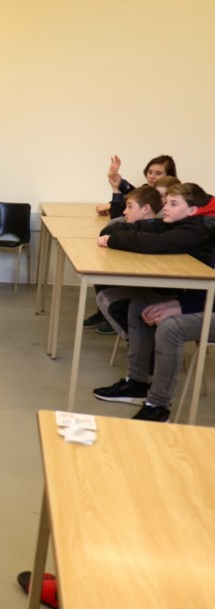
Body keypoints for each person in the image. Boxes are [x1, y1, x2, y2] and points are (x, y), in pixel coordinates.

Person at [93, 183, 215, 417]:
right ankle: (137, 382)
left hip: (206, 305)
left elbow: (153, 244)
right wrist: (113, 235)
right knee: (141, 305)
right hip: (201, 298)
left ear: (192, 211)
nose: (164, 208)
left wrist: (180, 307)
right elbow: (138, 229)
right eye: (166, 202)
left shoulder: (200, 230)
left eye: (172, 204)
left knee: (171, 327)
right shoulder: (181, 223)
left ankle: (158, 405)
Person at [92, 185, 165, 336]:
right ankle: (135, 338)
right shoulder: (123, 225)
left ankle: (138, 339)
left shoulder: (164, 230)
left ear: (145, 209)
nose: (125, 212)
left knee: (111, 296)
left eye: (130, 207)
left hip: (157, 289)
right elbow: (107, 232)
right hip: (137, 287)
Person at [94, 154, 177, 218]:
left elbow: (118, 216)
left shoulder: (173, 197)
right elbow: (133, 194)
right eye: (150, 172)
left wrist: (111, 206)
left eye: (158, 173)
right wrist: (116, 181)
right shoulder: (146, 189)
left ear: (169, 176)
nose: (151, 176)